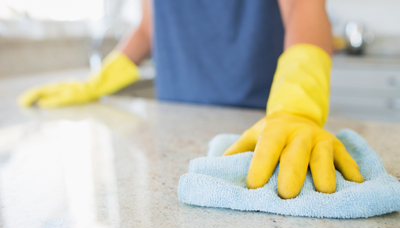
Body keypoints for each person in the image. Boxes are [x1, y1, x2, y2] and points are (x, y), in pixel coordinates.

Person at [18, 0, 364, 199]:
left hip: (258, 127)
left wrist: (295, 106)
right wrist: (97, 83)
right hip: (172, 123)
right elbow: (148, 28)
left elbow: (305, 11)